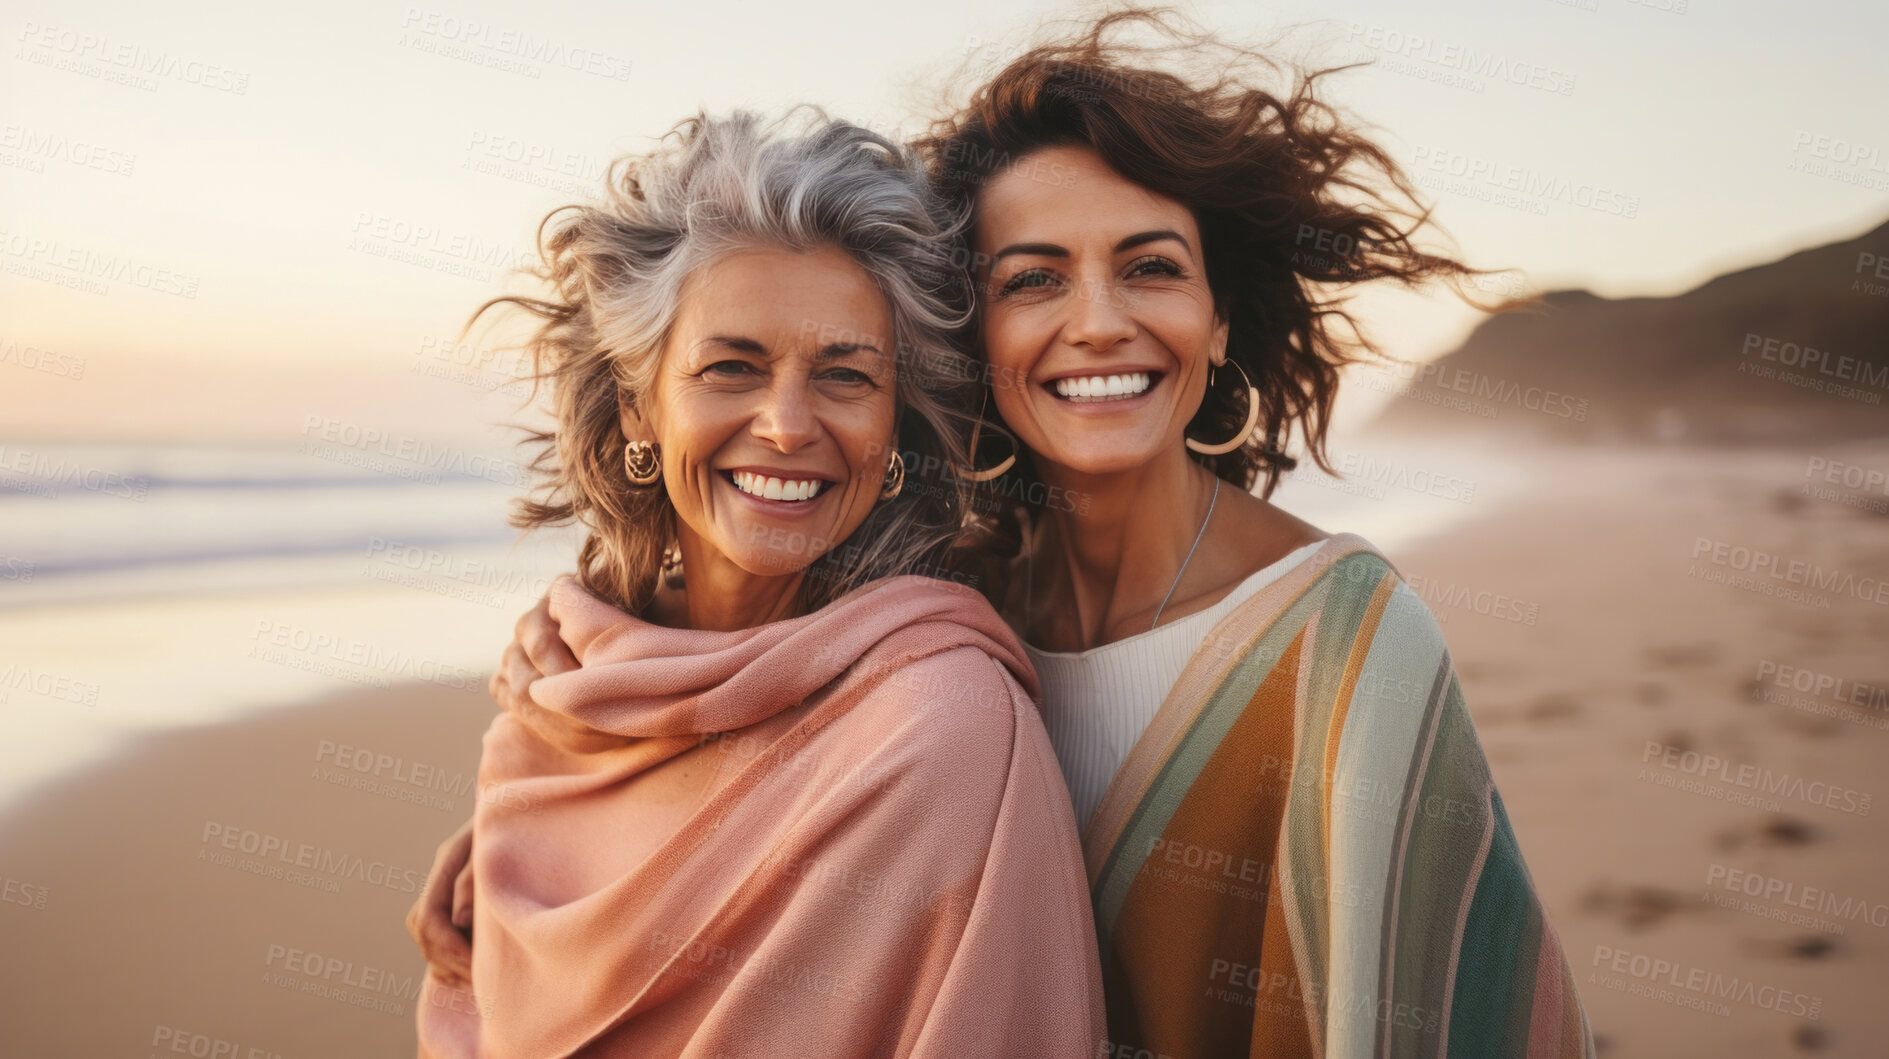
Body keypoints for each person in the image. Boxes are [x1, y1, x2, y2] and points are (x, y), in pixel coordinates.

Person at [419, 11, 1597, 1057]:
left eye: (1149, 268)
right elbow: (719, 681)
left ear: (1217, 317)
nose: (1097, 324)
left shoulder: (1346, 644)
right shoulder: (939, 593)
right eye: (1033, 279)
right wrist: (549, 759)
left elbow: (1423, 1007)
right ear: (971, 337)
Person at [410, 109, 1106, 1059]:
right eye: (731, 366)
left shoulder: (944, 730)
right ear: (637, 406)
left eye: (845, 376)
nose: (785, 423)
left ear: (893, 424)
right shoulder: (555, 700)